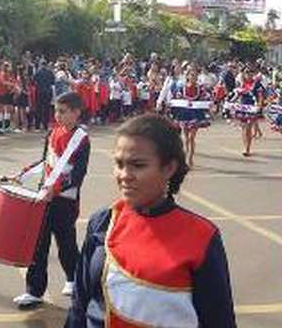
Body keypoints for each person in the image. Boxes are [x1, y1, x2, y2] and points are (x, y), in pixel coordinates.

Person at [64, 114, 236, 328]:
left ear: (169, 168)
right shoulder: (103, 222)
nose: (124, 175)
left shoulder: (202, 235)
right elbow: (80, 305)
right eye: (119, 164)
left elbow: (219, 320)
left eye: (138, 165)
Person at [14, 92, 91, 308]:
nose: (58, 115)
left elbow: (77, 175)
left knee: (66, 244)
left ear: (77, 113)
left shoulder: (81, 140)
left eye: (63, 111)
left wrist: (56, 190)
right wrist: (22, 175)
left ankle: (74, 279)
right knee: (38, 245)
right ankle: (34, 290)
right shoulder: (52, 132)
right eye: (56, 110)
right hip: (45, 197)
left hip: (65, 201)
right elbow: (46, 162)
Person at [168, 67, 212, 168]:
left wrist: (208, 105)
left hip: (195, 114)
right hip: (184, 114)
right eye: (191, 75)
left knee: (192, 137)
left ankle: (190, 158)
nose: (193, 77)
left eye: (195, 75)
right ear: (187, 76)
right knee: (186, 137)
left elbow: (205, 99)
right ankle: (185, 155)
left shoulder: (200, 89)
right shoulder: (182, 88)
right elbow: (176, 98)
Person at [226, 67, 264, 157]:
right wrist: (230, 103)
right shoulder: (241, 84)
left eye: (250, 72)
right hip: (242, 107)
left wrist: (259, 105)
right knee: (244, 129)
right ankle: (245, 146)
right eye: (246, 72)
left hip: (252, 108)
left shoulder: (256, 84)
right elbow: (237, 95)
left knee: (248, 128)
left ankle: (248, 148)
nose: (248, 74)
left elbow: (260, 95)